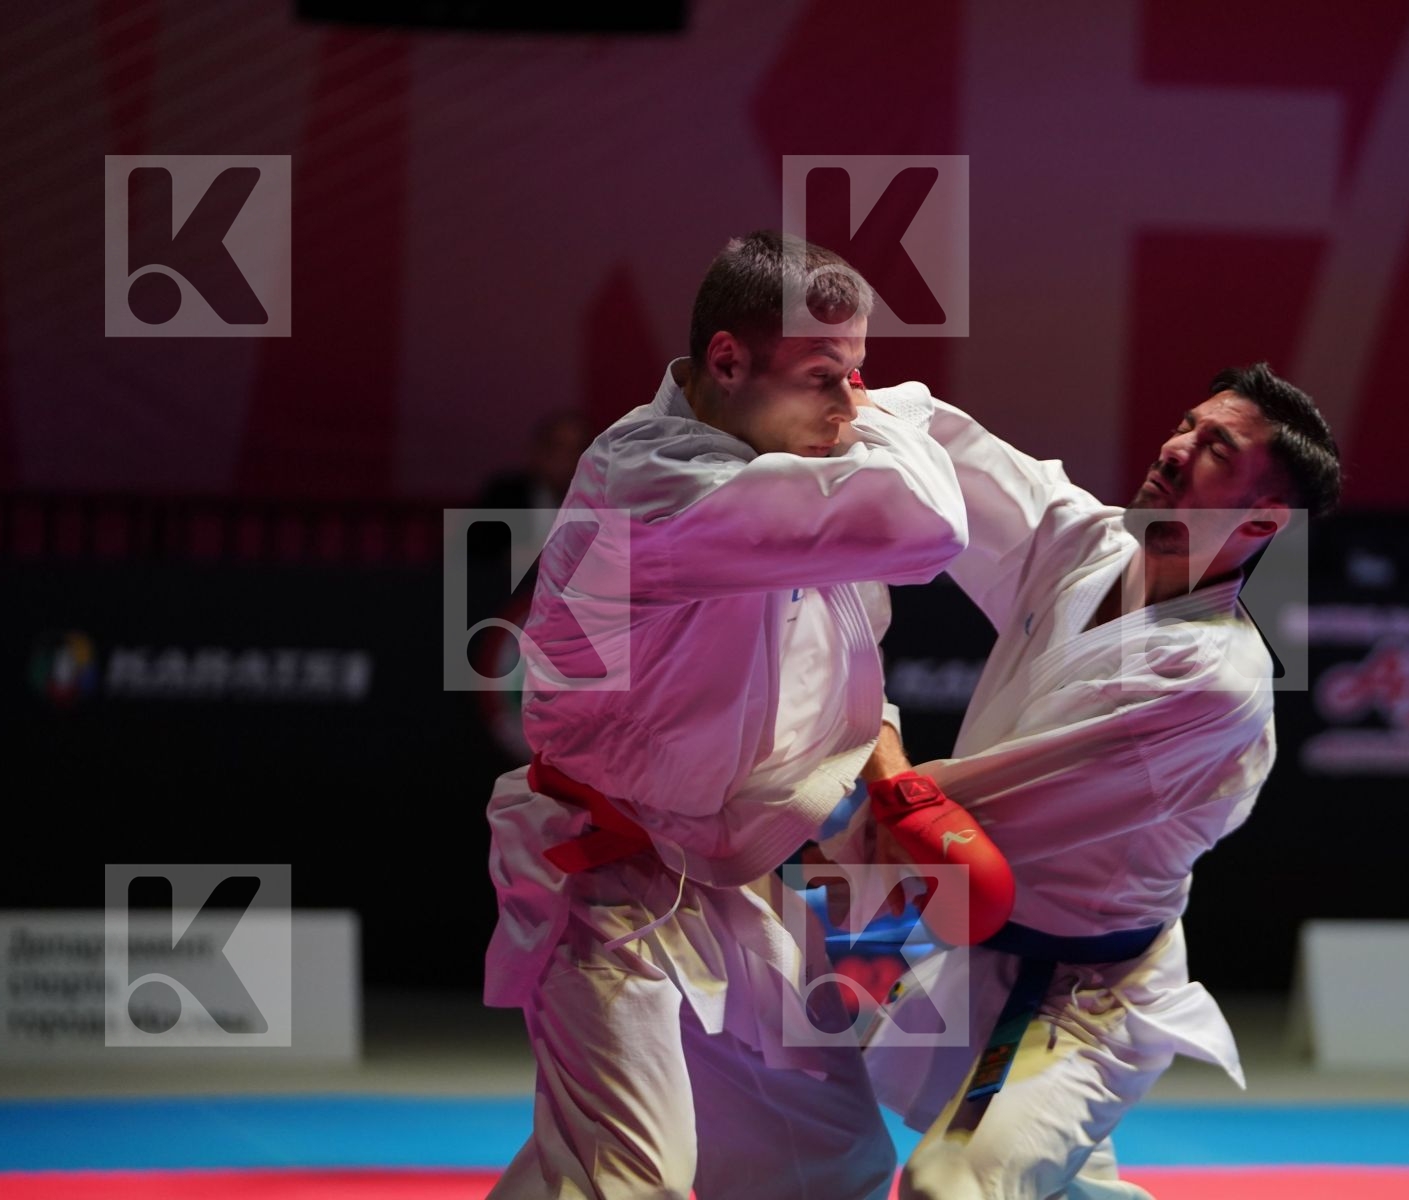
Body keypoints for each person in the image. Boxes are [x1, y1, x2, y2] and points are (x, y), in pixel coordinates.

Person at [482, 231, 972, 1200]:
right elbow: (927, 527)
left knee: (832, 1166)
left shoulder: (786, 465)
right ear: (725, 361)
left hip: (728, 885)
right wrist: (892, 418)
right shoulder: (657, 482)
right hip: (606, 884)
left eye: (860, 374)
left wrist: (892, 778)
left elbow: (844, 655)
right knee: (627, 1184)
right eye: (824, 376)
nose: (848, 404)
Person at [830, 363, 1341, 1199]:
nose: (1176, 448)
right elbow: (949, 446)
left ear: (1263, 519)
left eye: (1215, 448)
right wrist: (833, 393)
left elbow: (938, 819)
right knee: (735, 1021)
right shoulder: (1086, 541)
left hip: (1078, 1000)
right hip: (970, 935)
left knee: (948, 1185)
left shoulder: (1212, 682)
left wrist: (866, 715)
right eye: (1185, 423)